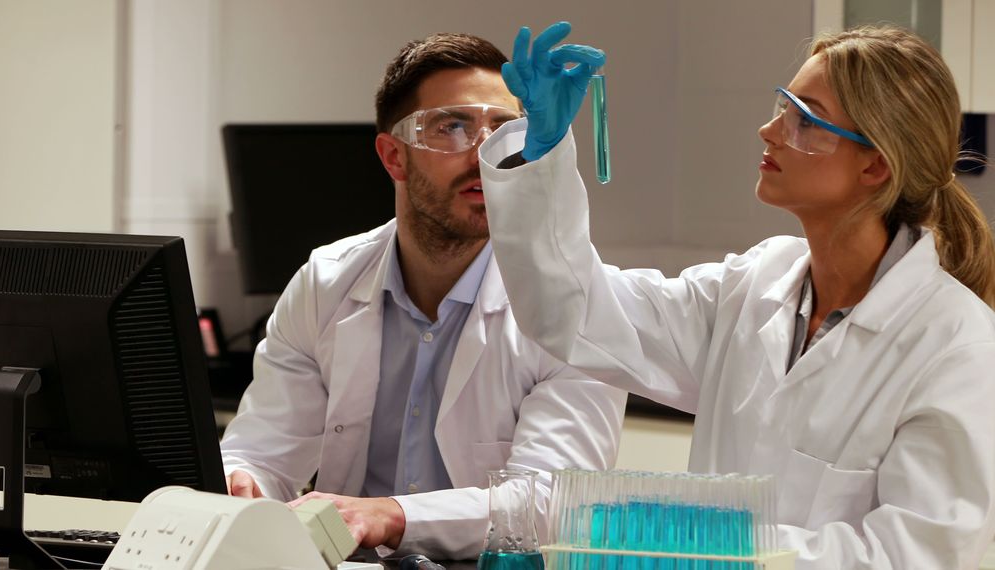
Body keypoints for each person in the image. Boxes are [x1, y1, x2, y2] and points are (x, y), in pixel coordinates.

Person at [478, 21, 995, 568]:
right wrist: (543, 151)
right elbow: (573, 311)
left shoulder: (957, 349)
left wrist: (723, 546)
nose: (769, 130)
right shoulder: (754, 285)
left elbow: (916, 554)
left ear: (875, 165)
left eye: (804, 119)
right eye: (782, 105)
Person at [219, 31, 627, 560]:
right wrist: (239, 481)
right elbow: (262, 452)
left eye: (505, 130)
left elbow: (553, 502)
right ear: (393, 157)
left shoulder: (573, 303)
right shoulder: (327, 282)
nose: (486, 153)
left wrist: (391, 516)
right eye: (453, 126)